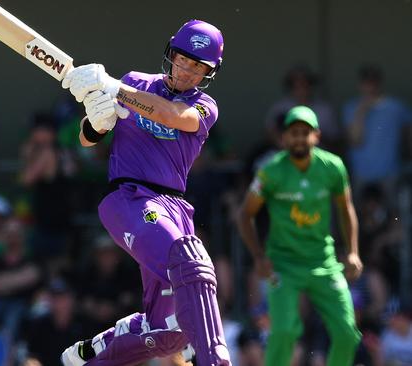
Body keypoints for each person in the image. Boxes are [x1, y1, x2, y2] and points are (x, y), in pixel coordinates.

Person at [59, 19, 231, 365]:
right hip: (130, 198)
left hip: (175, 208)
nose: (187, 72)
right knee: (189, 261)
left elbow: (171, 116)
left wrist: (113, 90)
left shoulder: (204, 106)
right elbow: (86, 139)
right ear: (171, 54)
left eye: (199, 67)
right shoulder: (136, 82)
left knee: (171, 332)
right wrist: (97, 121)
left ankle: (92, 355)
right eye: (183, 59)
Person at [236, 106, 363, 366]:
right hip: (282, 263)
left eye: (305, 133)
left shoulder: (332, 166)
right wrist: (259, 257)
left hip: (323, 262)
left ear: (316, 135)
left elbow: (346, 208)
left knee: (347, 333)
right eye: (293, 133)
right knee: (283, 331)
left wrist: (352, 252)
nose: (299, 138)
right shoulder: (270, 171)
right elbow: (244, 215)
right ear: (284, 137)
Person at [342, 64, 412, 198]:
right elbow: (355, 140)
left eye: (373, 81)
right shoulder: (351, 108)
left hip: (390, 172)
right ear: (360, 84)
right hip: (361, 173)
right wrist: (361, 112)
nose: (370, 86)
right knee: (360, 215)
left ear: (380, 82)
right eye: (366, 82)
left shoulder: (396, 107)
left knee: (393, 214)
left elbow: (409, 132)